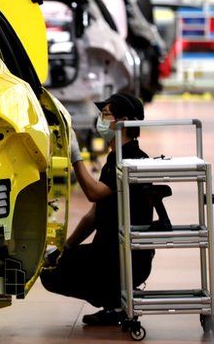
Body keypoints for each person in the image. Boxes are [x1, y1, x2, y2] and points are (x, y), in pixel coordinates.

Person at [40, 93, 155, 326]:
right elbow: (93, 215)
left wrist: (75, 157)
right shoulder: (116, 158)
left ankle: (115, 303)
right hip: (114, 254)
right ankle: (113, 302)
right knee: (57, 264)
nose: (100, 121)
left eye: (105, 115)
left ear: (123, 121)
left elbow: (94, 192)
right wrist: (66, 247)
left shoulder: (131, 160)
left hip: (125, 259)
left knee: (54, 276)